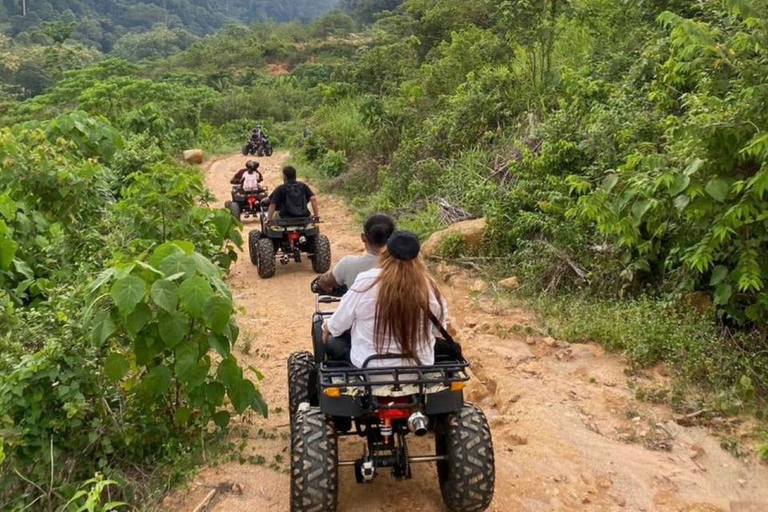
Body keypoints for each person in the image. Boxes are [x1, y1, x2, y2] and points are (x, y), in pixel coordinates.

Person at [324, 231, 448, 369]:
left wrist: (326, 326)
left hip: (370, 368)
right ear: (417, 256)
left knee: (331, 339)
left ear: (386, 253)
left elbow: (337, 326)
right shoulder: (429, 286)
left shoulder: (366, 282)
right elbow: (438, 331)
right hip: (419, 367)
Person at [314, 213, 395, 294]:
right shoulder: (401, 266)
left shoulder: (348, 264)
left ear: (363, 237)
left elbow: (325, 282)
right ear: (393, 238)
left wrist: (318, 283)